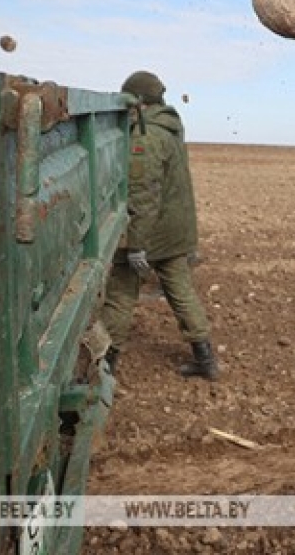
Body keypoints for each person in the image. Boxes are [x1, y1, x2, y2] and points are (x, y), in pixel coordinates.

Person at [101, 70, 219, 381]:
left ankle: (105, 364)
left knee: (121, 293)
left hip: (151, 232)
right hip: (175, 232)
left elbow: (143, 194)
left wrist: (136, 244)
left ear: (138, 101)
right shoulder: (169, 130)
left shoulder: (146, 137)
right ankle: (205, 359)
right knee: (180, 290)